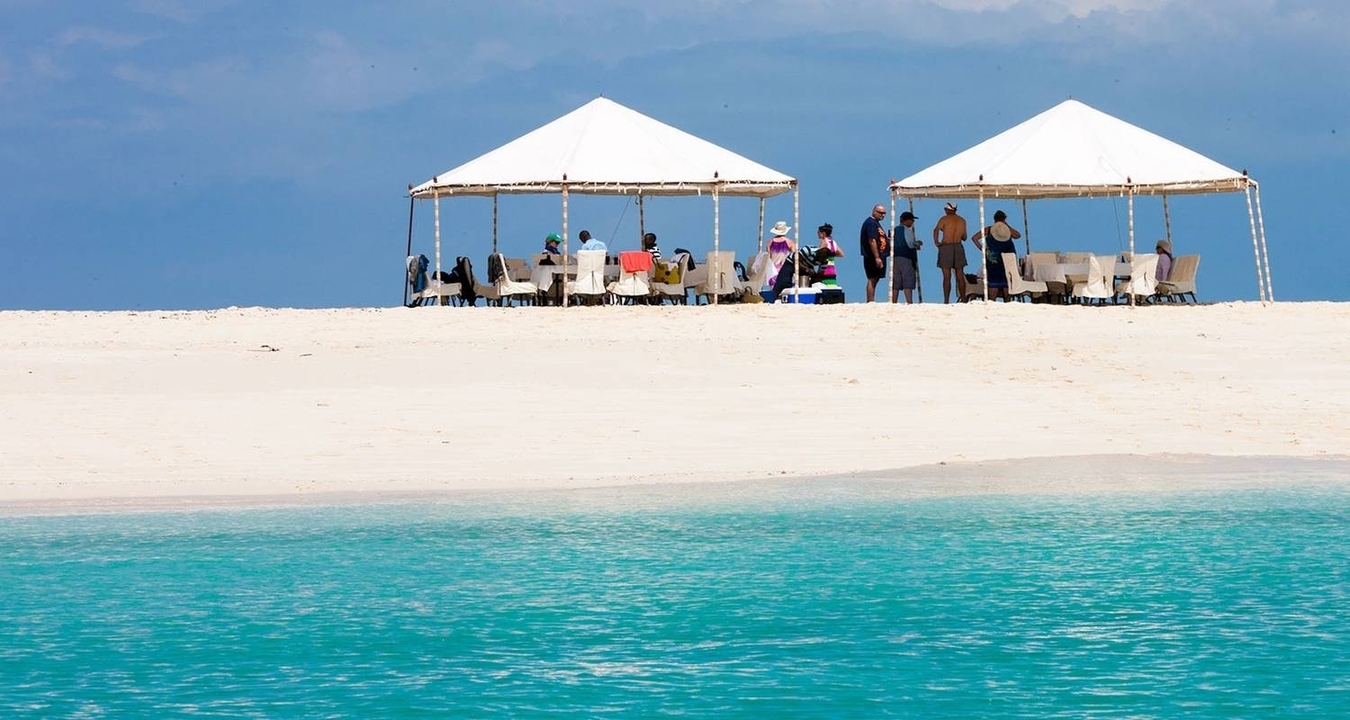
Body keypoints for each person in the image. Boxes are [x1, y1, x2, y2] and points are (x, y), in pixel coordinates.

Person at [972, 210, 1022, 301]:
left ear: (994, 219)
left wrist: (984, 250)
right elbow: (1018, 236)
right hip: (1007, 260)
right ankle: (1007, 302)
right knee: (1007, 282)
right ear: (1004, 219)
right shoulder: (1007, 230)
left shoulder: (989, 229)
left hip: (993, 259)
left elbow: (974, 238)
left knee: (993, 282)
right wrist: (1007, 225)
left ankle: (992, 303)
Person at [933, 202, 969, 303]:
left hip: (946, 246)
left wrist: (936, 242)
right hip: (958, 246)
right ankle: (964, 299)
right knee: (960, 275)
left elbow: (936, 230)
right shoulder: (962, 220)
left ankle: (946, 300)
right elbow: (965, 237)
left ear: (948, 210)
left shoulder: (944, 219)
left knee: (946, 276)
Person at [889, 211, 922, 303]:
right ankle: (909, 301)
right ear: (905, 220)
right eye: (911, 220)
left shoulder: (894, 230)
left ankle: (893, 301)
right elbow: (910, 243)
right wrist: (917, 244)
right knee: (908, 279)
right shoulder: (907, 230)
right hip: (906, 257)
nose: (912, 222)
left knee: (896, 281)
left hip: (895, 257)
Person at [859, 204, 888, 302]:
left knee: (876, 278)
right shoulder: (871, 223)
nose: (882, 215)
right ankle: (870, 300)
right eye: (880, 213)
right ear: (874, 211)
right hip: (872, 256)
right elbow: (872, 240)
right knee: (873, 278)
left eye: (884, 214)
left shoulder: (876, 223)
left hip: (880, 255)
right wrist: (876, 257)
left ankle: (871, 300)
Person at [816, 223, 842, 288]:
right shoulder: (833, 242)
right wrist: (831, 255)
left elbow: (819, 256)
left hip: (824, 269)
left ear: (823, 233)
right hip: (832, 269)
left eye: (818, 232)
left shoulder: (824, 242)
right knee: (831, 288)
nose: (817, 233)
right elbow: (841, 254)